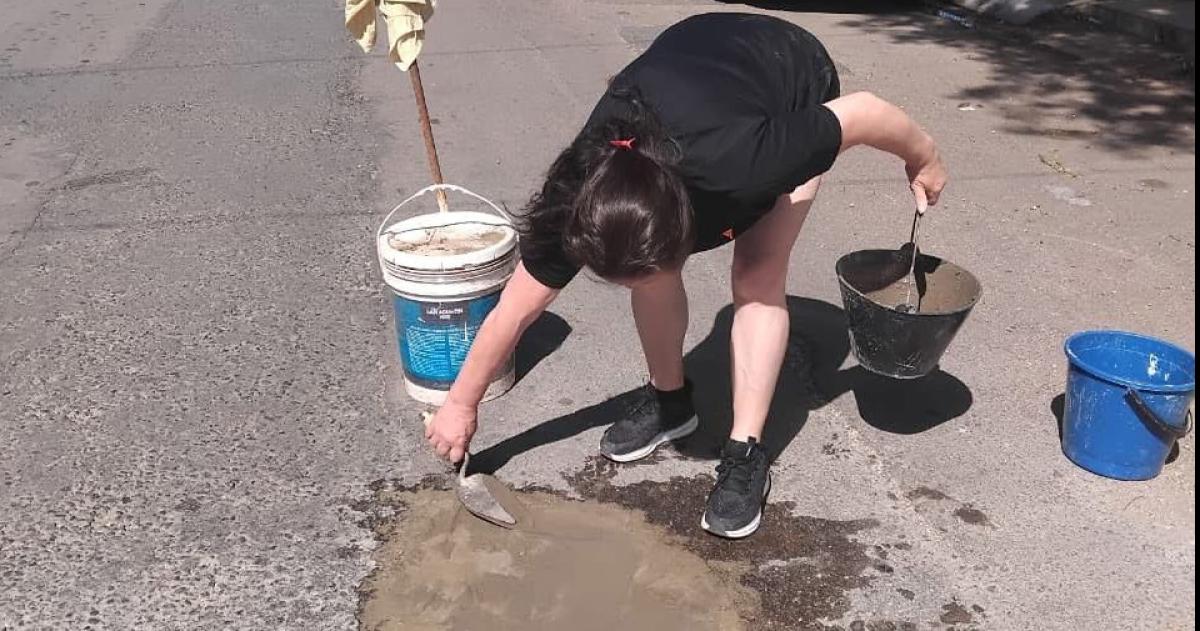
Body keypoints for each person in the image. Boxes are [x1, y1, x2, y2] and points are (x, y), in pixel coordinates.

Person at [425, 12, 947, 538]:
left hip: (788, 74)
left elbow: (864, 112)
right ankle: (670, 402)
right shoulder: (580, 195)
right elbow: (517, 308)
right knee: (651, 277)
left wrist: (922, 158)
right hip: (695, 67)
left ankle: (745, 453)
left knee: (756, 273)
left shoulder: (750, 159)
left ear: (690, 226)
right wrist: (460, 404)